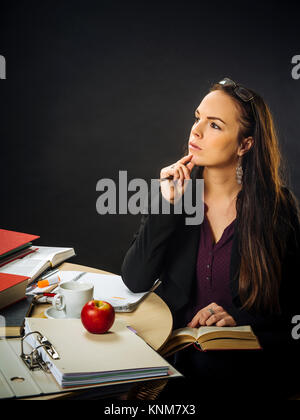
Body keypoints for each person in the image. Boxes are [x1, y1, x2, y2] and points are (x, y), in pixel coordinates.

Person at [121, 78, 300, 401]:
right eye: (197, 117)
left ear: (245, 145)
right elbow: (136, 279)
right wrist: (168, 204)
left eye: (214, 125)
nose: (196, 131)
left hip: (253, 375)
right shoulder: (178, 199)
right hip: (180, 368)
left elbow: (293, 305)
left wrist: (240, 318)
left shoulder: (278, 208)